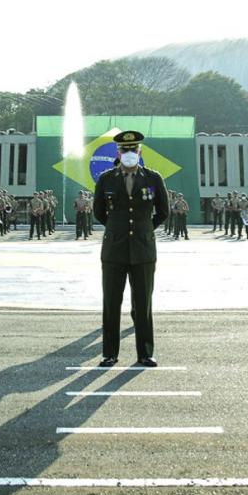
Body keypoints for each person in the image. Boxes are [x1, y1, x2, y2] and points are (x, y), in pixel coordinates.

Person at [93, 130, 168, 367]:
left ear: (140, 151)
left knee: (143, 303)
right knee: (111, 303)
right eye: (124, 150)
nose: (128, 153)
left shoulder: (153, 178)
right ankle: (109, 353)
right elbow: (98, 212)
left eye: (133, 149)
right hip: (114, 251)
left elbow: (163, 212)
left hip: (144, 251)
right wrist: (117, 230)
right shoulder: (106, 179)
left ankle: (145, 353)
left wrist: (145, 230)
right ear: (118, 152)